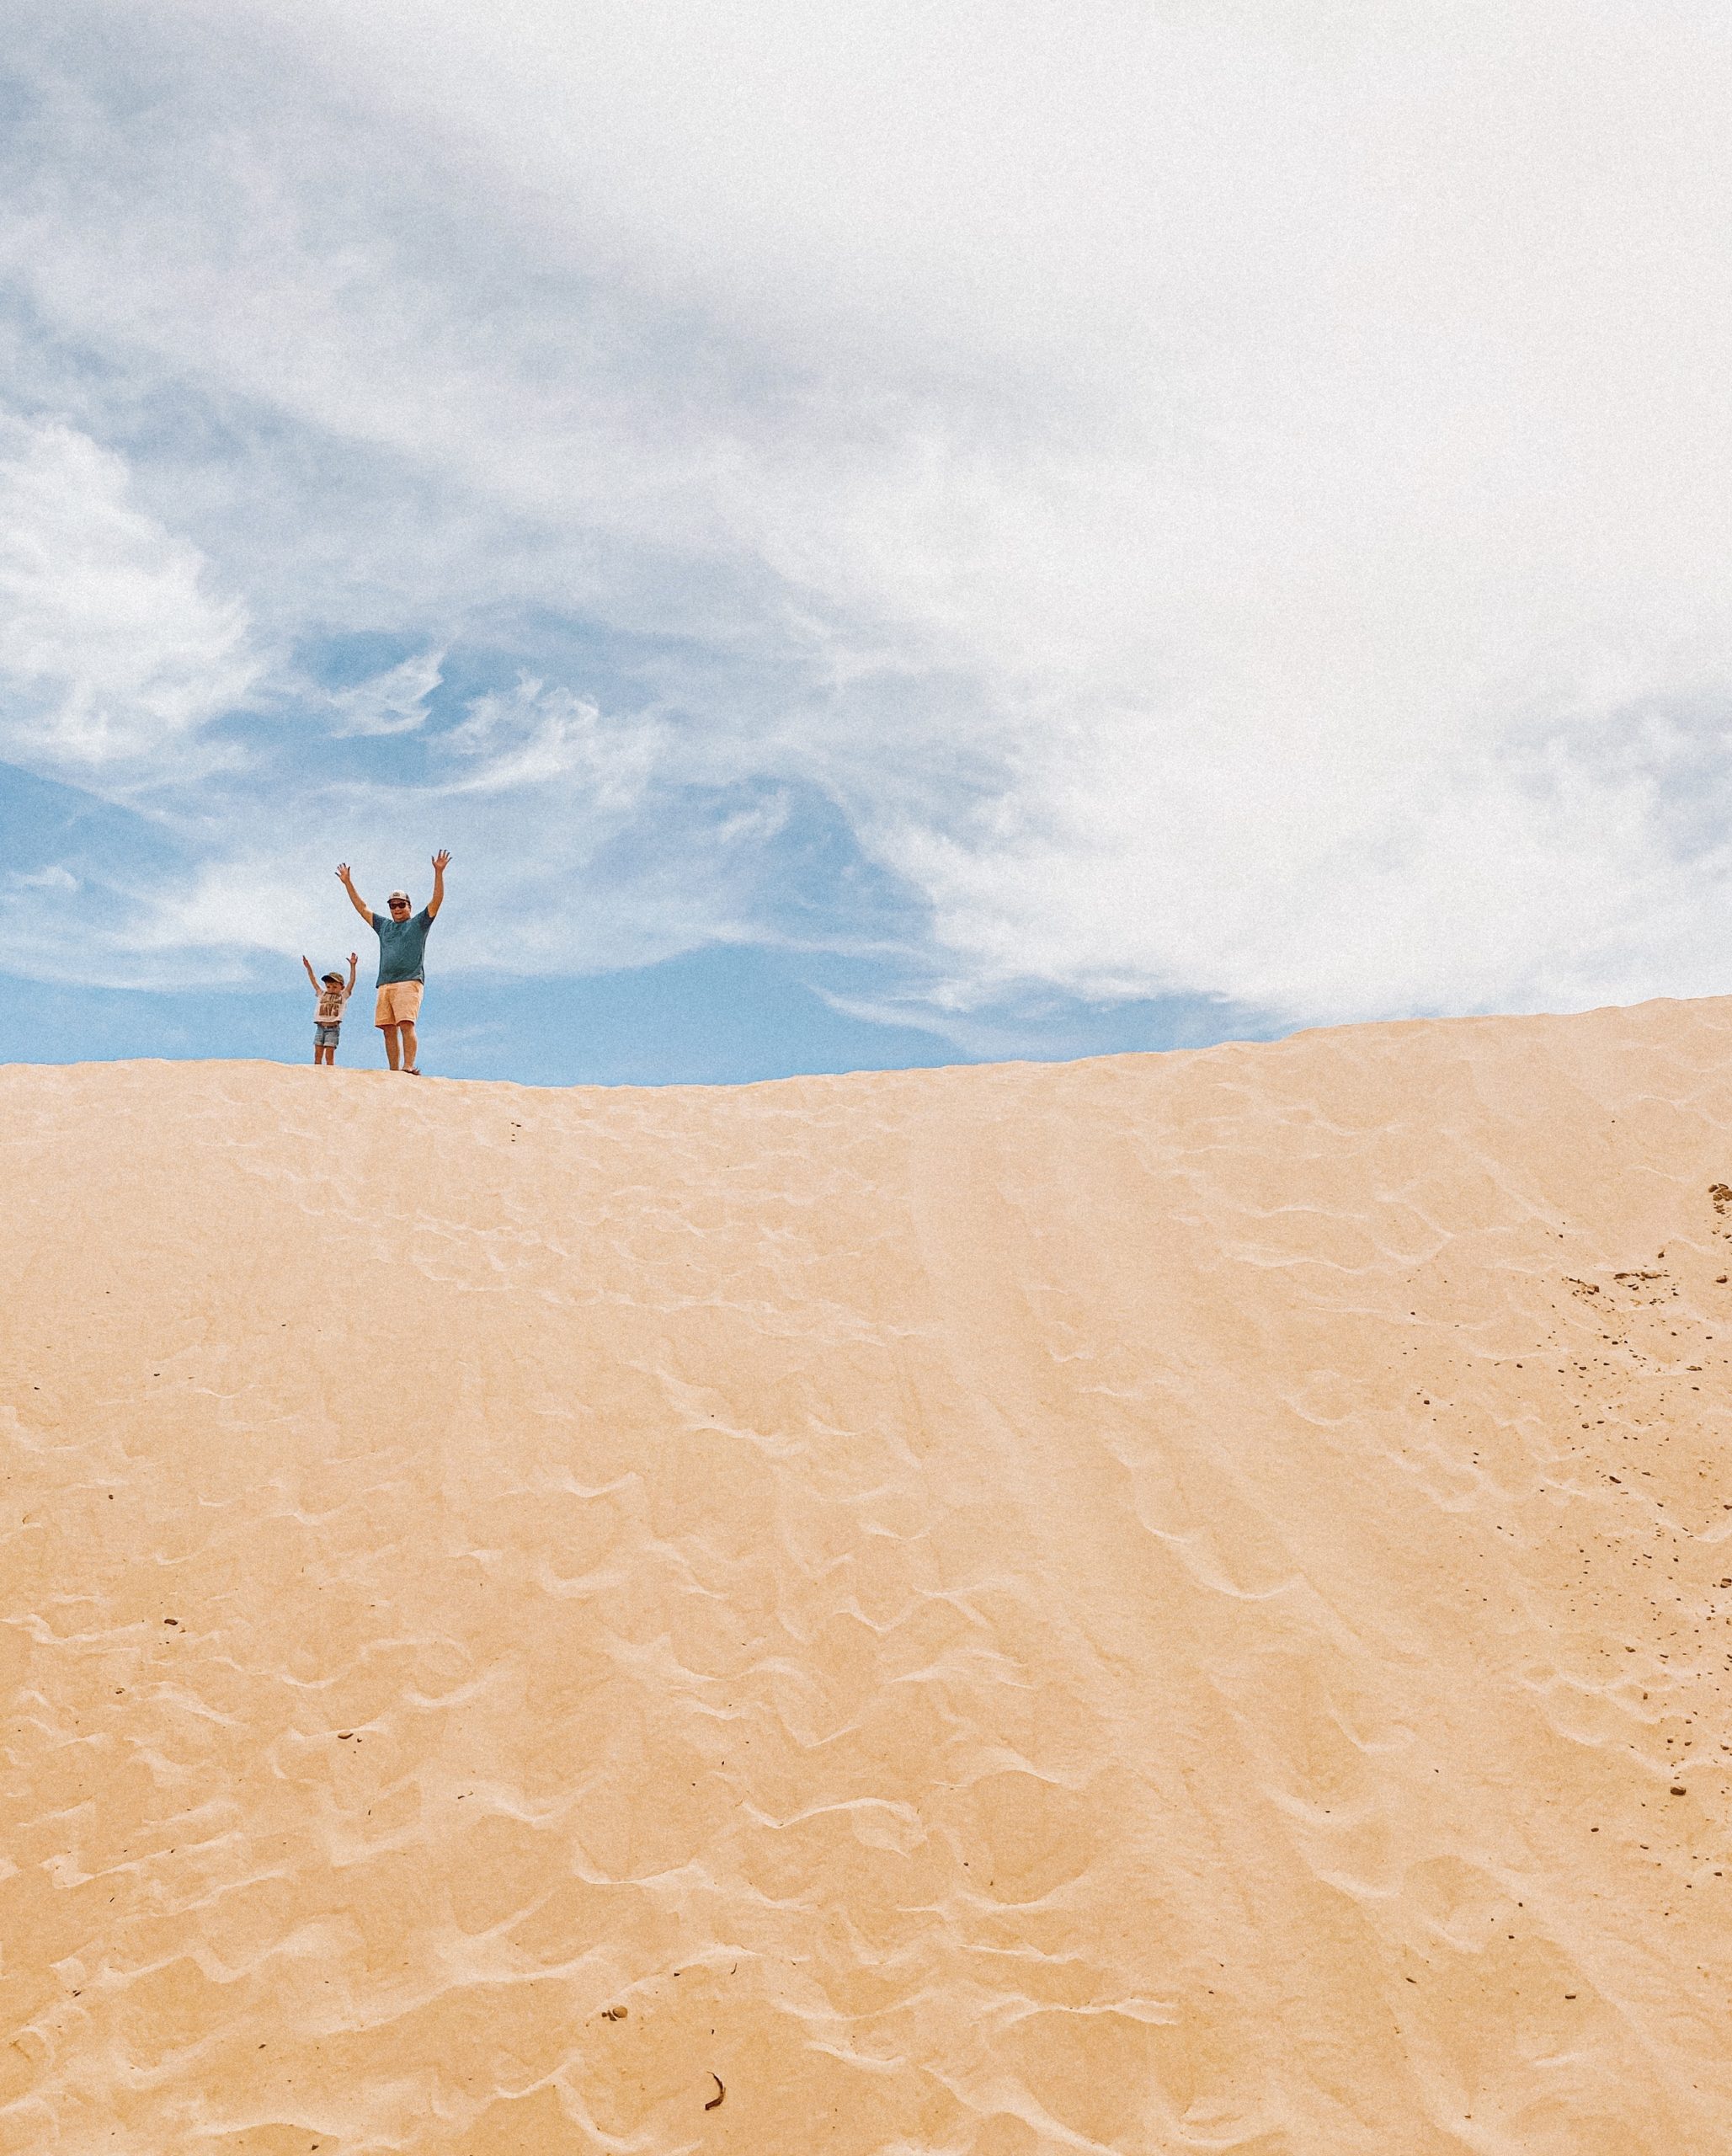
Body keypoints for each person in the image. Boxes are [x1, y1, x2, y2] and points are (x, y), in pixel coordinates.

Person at [336, 851, 450, 1075]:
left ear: (409, 905)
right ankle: (394, 1071)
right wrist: (348, 883)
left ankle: (408, 1066)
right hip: (385, 984)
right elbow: (362, 908)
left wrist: (438, 872)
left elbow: (436, 901)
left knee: (406, 1024)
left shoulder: (419, 923)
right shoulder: (384, 926)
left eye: (401, 905)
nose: (397, 909)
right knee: (388, 1028)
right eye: (393, 906)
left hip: (409, 982)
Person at [301, 950, 358, 1066]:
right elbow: (313, 981)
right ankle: (317, 1074)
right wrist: (308, 968)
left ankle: (330, 1075)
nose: (331, 988)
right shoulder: (322, 994)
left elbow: (352, 981)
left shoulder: (343, 995)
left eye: (335, 986)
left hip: (333, 1028)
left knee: (329, 1054)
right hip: (320, 1027)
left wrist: (353, 966)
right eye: (328, 986)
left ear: (341, 987)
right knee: (317, 1053)